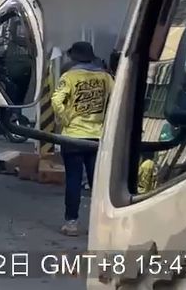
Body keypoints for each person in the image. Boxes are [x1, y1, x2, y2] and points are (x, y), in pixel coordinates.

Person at [52, 41, 114, 237]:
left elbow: (56, 101)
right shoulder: (106, 78)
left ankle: (71, 223)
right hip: (97, 138)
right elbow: (116, 101)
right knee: (97, 183)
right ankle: (102, 224)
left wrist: (66, 119)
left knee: (73, 180)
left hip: (73, 137)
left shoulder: (69, 76)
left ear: (74, 57)